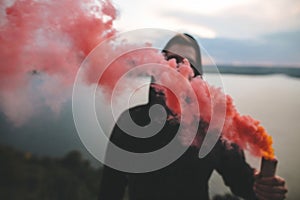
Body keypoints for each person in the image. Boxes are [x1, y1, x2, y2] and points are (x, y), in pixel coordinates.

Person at [98, 33, 288, 200]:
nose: (177, 72)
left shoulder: (212, 128)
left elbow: (241, 181)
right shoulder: (131, 121)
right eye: (171, 62)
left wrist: (260, 187)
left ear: (196, 78)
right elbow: (110, 188)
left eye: (186, 66)